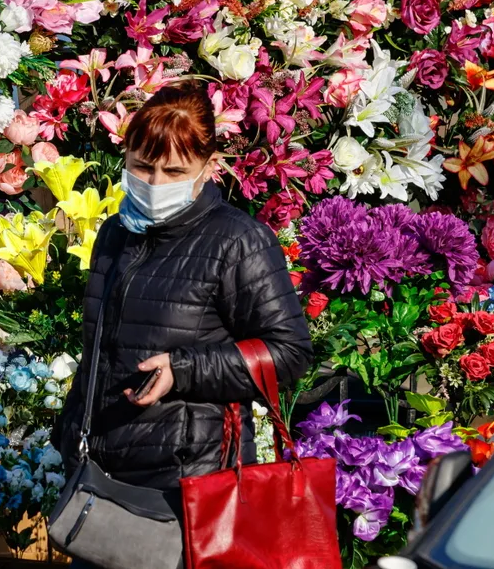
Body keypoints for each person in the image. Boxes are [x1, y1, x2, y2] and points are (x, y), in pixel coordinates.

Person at [50, 83, 313, 569]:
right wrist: (69, 433)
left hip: (188, 486)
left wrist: (185, 369)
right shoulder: (115, 233)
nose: (154, 181)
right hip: (103, 478)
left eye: (174, 171)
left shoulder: (238, 241)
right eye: (141, 166)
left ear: (208, 167)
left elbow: (290, 353)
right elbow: (102, 346)